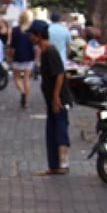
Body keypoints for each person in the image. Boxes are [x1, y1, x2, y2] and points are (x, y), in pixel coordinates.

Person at [29, 20, 73, 175]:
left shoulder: (50, 51)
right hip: (51, 99)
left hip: (59, 99)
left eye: (32, 35)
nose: (30, 38)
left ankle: (63, 163)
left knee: (59, 128)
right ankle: (54, 165)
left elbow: (60, 74)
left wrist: (55, 97)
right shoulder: (45, 51)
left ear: (39, 35)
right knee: (52, 130)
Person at [9, 11, 35, 109]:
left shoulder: (15, 30)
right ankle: (26, 102)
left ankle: (23, 92)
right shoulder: (31, 30)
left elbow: (12, 46)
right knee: (26, 79)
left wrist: (10, 56)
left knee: (16, 78)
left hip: (18, 56)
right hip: (29, 56)